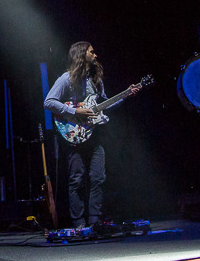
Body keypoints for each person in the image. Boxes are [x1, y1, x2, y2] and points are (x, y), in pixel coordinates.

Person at [44, 41, 133, 230]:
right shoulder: (66, 79)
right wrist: (75, 112)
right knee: (77, 177)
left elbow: (105, 107)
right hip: (73, 134)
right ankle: (78, 224)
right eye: (92, 52)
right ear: (81, 54)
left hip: (94, 134)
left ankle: (94, 222)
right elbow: (49, 102)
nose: (96, 55)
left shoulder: (95, 81)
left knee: (98, 177)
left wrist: (125, 95)